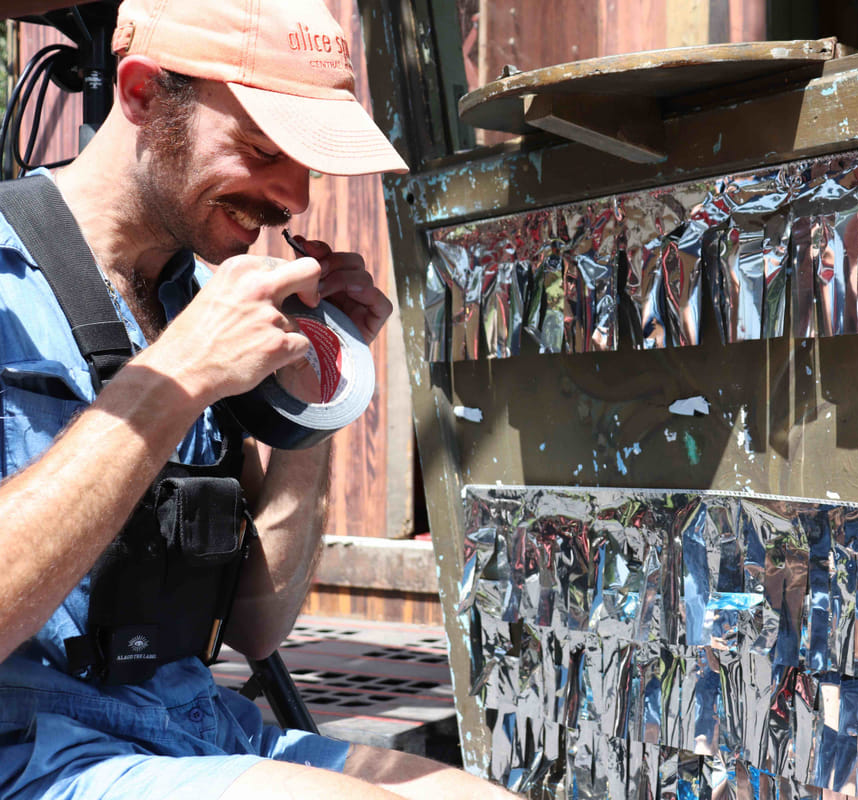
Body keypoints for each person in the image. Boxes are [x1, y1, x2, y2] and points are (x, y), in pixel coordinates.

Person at [0, 0, 516, 798]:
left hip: (195, 730)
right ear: (141, 95)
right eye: (263, 149)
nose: (294, 197)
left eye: (309, 164)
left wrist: (318, 388)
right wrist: (181, 371)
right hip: (37, 752)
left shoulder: (202, 300)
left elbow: (258, 626)